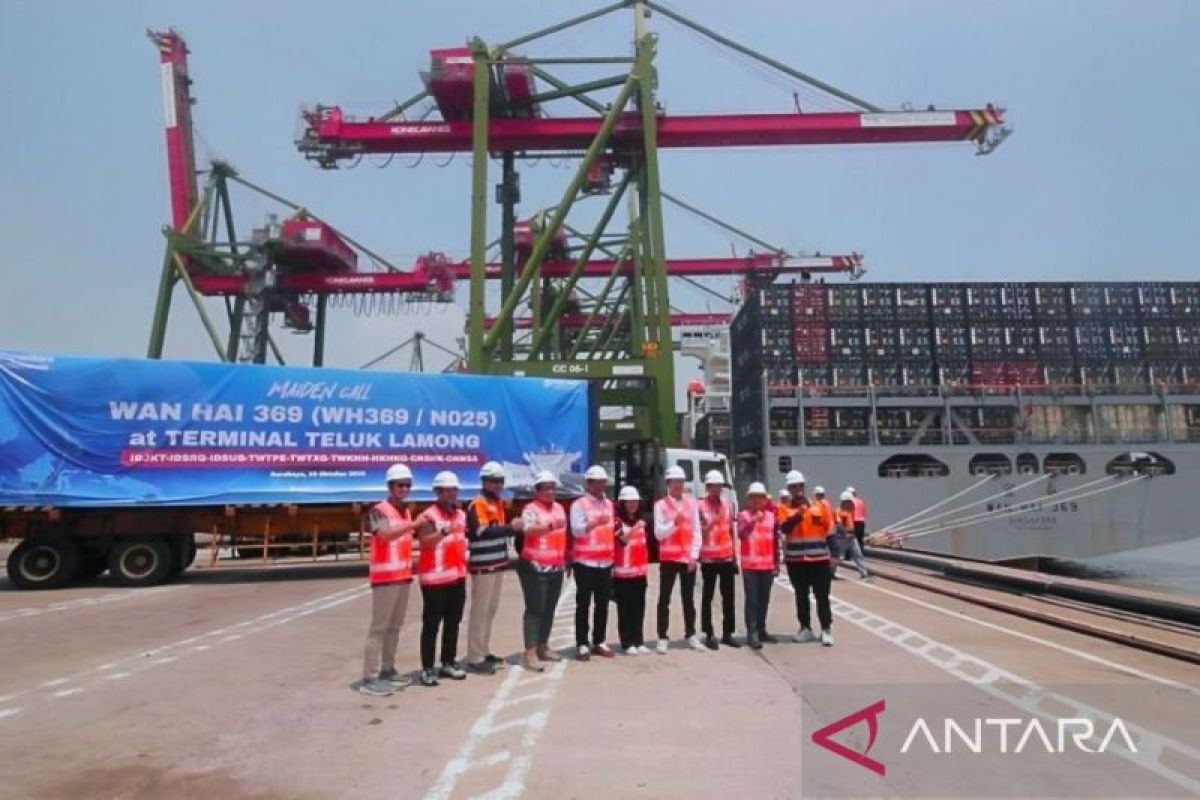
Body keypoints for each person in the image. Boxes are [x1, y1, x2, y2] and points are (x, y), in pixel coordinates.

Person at [359, 463, 419, 696]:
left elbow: (403, 541)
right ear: (390, 486)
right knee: (379, 628)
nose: (404, 489)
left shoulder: (405, 512)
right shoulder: (379, 511)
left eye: (407, 485)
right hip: (385, 578)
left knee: (395, 627)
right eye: (400, 485)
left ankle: (387, 669)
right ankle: (369, 677)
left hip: (403, 577)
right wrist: (411, 525)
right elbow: (384, 536)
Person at [464, 461, 523, 675]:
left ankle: (483, 649)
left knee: (489, 611)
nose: (498, 484)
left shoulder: (496, 503)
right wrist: (510, 528)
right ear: (484, 481)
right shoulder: (478, 504)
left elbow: (497, 530)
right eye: (494, 481)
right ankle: (475, 656)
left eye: (500, 481)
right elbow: (482, 531)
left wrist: (511, 530)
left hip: (496, 564)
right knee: (480, 612)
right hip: (484, 566)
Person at [414, 471, 470, 686]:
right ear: (437, 492)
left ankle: (448, 661)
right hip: (434, 579)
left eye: (454, 490)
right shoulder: (428, 516)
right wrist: (443, 532)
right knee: (431, 624)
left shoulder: (461, 515)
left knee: (453, 622)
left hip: (456, 576)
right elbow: (425, 542)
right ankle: (428, 668)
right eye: (446, 491)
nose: (451, 495)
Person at [517, 471, 568, 671]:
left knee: (549, 608)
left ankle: (543, 646)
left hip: (555, 566)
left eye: (553, 487)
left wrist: (566, 557)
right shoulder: (530, 509)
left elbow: (563, 535)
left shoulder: (559, 508)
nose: (550, 491)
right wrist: (549, 525)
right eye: (546, 488)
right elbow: (528, 530)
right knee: (535, 609)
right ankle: (529, 652)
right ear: (537, 491)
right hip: (534, 566)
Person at [777, 473, 834, 647]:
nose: (797, 489)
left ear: (804, 486)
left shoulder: (820, 506)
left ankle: (826, 629)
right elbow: (784, 528)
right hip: (796, 561)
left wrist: (836, 556)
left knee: (822, 595)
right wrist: (798, 515)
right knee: (801, 595)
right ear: (789, 489)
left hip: (819, 560)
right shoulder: (784, 509)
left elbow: (830, 531)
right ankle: (805, 628)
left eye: (800, 485)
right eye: (793, 487)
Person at [654, 465, 705, 654]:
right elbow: (658, 534)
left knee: (688, 599)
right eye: (675, 482)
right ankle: (662, 636)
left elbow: (697, 532)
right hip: (668, 558)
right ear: (668, 484)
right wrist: (673, 524)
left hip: (687, 559)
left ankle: (691, 634)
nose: (679, 485)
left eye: (681, 482)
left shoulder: (692, 503)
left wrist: (694, 556)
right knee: (664, 599)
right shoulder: (660, 505)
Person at [570, 465, 617, 660]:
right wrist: (594, 522)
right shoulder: (579, 504)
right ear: (588, 484)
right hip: (585, 562)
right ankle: (582, 643)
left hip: (604, 562)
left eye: (603, 482)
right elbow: (576, 530)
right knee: (583, 603)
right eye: (596, 483)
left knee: (602, 603)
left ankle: (599, 640)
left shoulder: (608, 503)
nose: (600, 486)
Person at [698, 470, 740, 650]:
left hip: (726, 557)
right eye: (714, 486)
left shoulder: (728, 505)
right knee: (707, 597)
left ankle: (727, 633)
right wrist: (712, 522)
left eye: (720, 486)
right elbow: (699, 532)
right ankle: (708, 633)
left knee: (728, 597)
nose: (718, 489)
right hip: (708, 559)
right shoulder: (700, 505)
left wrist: (735, 557)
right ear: (708, 487)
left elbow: (732, 531)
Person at [736, 482, 778, 650]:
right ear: (749, 499)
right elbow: (741, 534)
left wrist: (776, 563)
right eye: (753, 498)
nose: (757, 501)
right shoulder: (744, 515)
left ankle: (761, 629)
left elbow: (775, 542)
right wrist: (754, 520)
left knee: (764, 600)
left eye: (760, 498)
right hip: (750, 566)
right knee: (752, 600)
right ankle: (752, 632)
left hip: (767, 565)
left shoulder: (771, 516)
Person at [613, 485, 651, 655]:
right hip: (623, 573)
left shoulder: (641, 520)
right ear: (622, 503)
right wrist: (636, 527)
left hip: (639, 572)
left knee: (639, 607)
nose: (633, 505)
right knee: (625, 610)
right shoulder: (617, 521)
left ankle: (639, 640)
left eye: (635, 502)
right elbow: (623, 540)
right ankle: (627, 642)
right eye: (629, 502)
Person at [834, 490, 871, 579]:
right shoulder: (838, 512)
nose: (852, 503)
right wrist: (846, 532)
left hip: (851, 538)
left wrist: (853, 532)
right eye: (850, 501)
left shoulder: (850, 511)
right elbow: (839, 525)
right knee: (836, 557)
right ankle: (830, 573)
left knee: (858, 555)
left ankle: (864, 573)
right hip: (842, 539)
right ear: (845, 502)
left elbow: (852, 524)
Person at [848, 486, 868, 551]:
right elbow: (864, 512)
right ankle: (861, 553)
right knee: (860, 540)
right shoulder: (861, 501)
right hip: (861, 522)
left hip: (853, 522)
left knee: (849, 539)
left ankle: (848, 557)